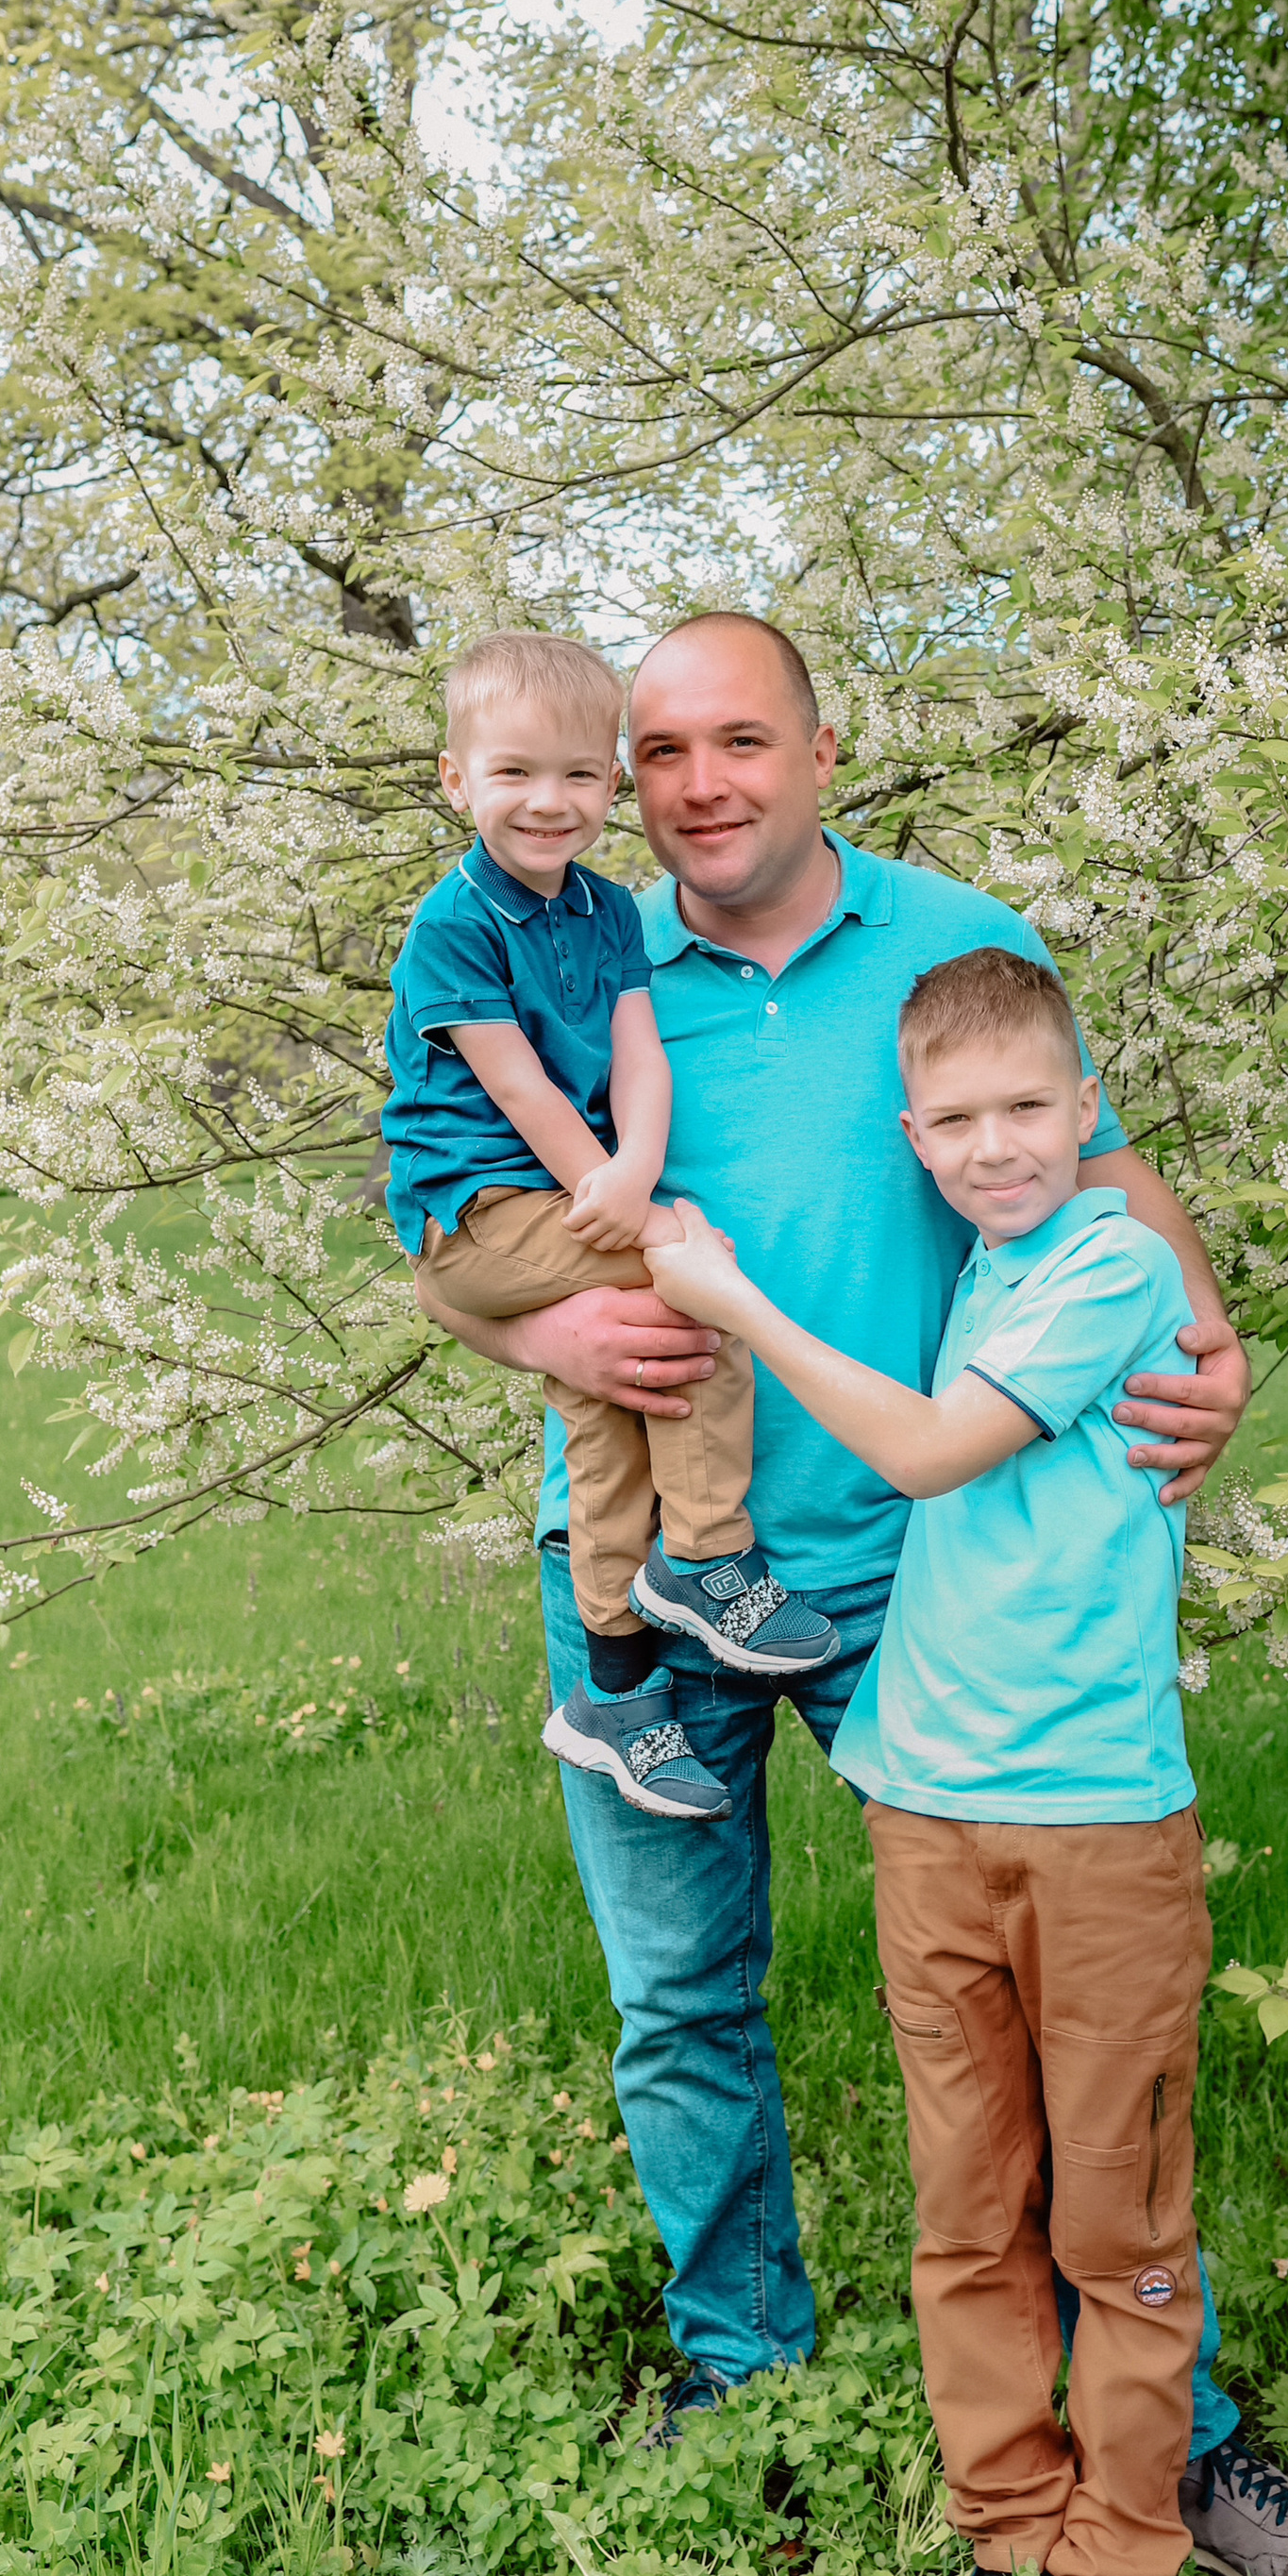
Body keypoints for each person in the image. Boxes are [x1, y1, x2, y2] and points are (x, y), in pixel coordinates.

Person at [411, 611, 1288, 2576]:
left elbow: (1097, 1168)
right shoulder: (567, 939)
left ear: (820, 747)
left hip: (922, 1579)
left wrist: (1203, 1343)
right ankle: (743, 2380)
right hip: (644, 1582)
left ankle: (1168, 2437)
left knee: (1043, 2042)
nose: (700, 785)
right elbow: (446, 1245)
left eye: (739, 741)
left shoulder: (955, 940)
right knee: (684, 2003)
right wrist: (530, 1314)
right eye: (662, 750)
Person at [646, 944, 1210, 2576]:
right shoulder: (991, 1261)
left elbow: (923, 1452)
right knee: (967, 2211)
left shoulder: (1108, 1264)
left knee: (1110, 2227)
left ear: (1084, 1108)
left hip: (1096, 1825)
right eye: (953, 1123)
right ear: (915, 1134)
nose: (990, 1148)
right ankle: (999, 2543)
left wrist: (729, 1302)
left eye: (1026, 1112)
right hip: (924, 1812)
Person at [382, 631, 842, 1822]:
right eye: (515, 774)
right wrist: (631, 1209)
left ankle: (617, 1689)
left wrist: (637, 1164)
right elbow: (524, 1090)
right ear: (455, 780)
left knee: (608, 1407)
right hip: (477, 1211)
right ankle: (704, 1554)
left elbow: (635, 1053)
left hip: (569, 1190)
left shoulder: (601, 911)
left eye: (582, 776)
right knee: (699, 1282)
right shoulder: (454, 927)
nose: (551, 803)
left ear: (611, 785)